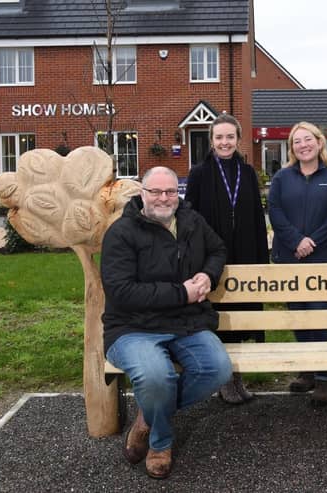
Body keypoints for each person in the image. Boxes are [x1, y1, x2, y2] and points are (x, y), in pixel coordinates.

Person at [100, 166, 232, 479]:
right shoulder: (121, 233)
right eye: (156, 191)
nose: (164, 198)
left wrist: (208, 275)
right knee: (156, 378)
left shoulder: (191, 221)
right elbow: (121, 291)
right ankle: (160, 443)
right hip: (134, 328)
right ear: (142, 194)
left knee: (218, 370)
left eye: (171, 191)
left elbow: (217, 249)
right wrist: (182, 293)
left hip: (186, 323)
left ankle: (148, 417)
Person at [185, 113, 269, 405]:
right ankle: (224, 379)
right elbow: (188, 218)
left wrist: (261, 259)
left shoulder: (247, 172)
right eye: (219, 137)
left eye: (229, 137)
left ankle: (236, 378)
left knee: (241, 319)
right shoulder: (199, 173)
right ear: (212, 140)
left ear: (238, 138)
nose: (224, 142)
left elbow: (258, 217)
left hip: (245, 253)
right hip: (211, 258)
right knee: (218, 318)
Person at [268, 121, 327, 407]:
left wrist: (311, 241)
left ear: (319, 142)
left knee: (319, 313)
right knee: (299, 314)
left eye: (307, 139)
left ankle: (325, 377)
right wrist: (295, 242)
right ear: (292, 148)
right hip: (289, 257)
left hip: (322, 257)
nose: (303, 145)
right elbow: (274, 212)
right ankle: (308, 371)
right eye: (297, 141)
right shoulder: (281, 178)